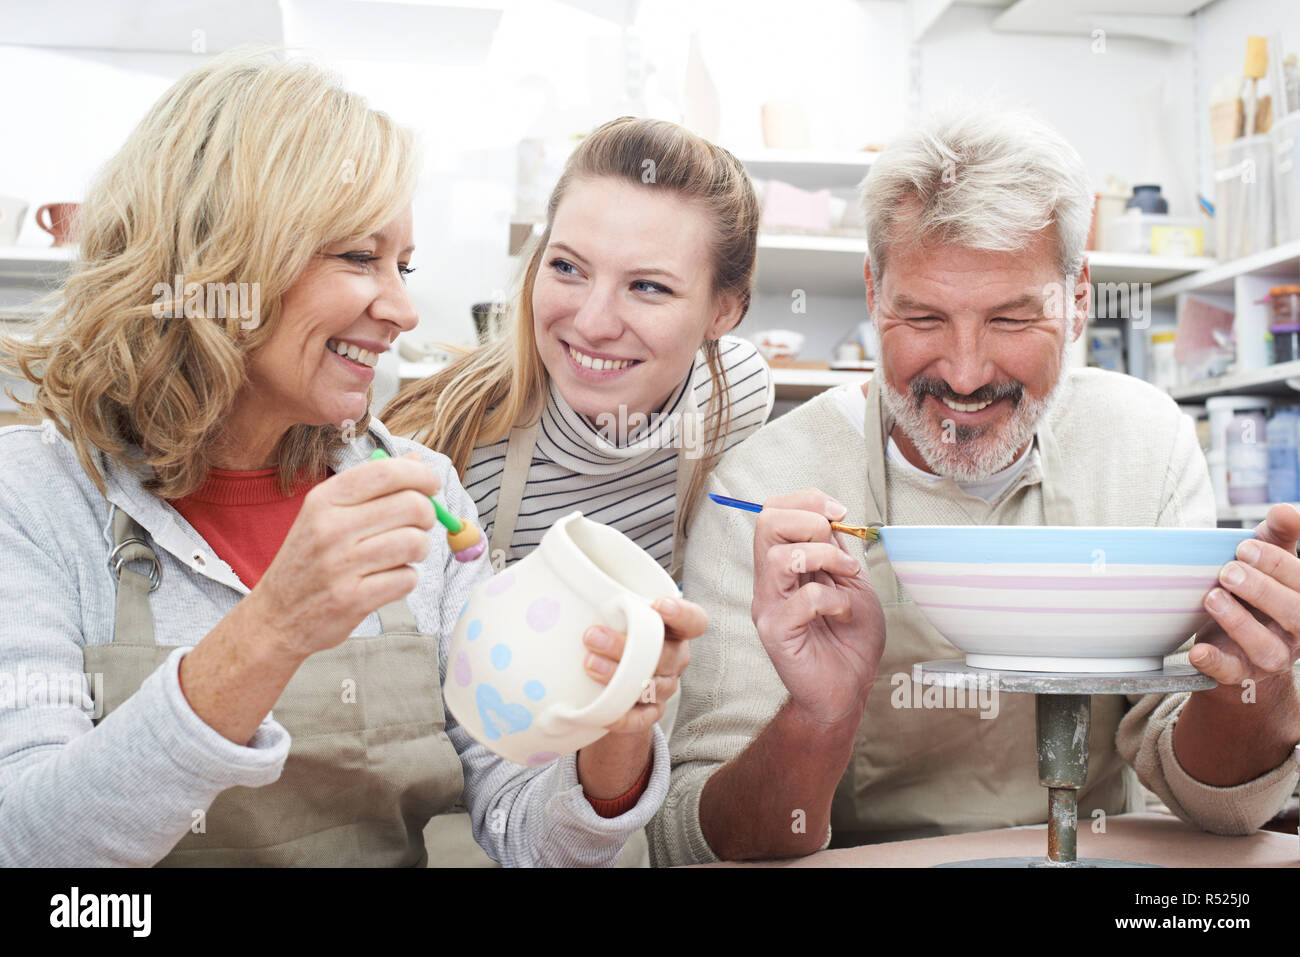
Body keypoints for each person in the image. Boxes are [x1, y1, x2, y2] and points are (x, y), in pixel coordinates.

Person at [0, 48, 701, 868]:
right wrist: (271, 629)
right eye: (358, 258)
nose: (402, 309)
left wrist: (614, 733)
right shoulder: (37, 498)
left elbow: (525, 834)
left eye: (403, 267)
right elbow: (31, 849)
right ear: (221, 254)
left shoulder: (424, 494)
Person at [646, 106, 1300, 865]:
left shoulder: (1140, 445)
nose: (964, 372)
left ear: (1079, 296)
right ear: (872, 293)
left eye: (1012, 319)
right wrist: (821, 713)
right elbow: (695, 844)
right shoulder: (768, 487)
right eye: (921, 316)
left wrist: (1254, 684)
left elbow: (1218, 804)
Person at [382, 116, 774, 863]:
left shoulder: (737, 401)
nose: (592, 322)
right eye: (567, 268)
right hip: (471, 831)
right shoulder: (446, 441)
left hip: (631, 816)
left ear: (723, 311)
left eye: (649, 286)